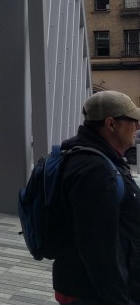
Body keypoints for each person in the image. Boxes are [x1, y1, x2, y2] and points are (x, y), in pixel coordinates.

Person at [53, 91, 140, 304]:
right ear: (111, 124)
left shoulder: (97, 158)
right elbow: (98, 248)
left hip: (86, 285)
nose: (137, 127)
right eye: (133, 121)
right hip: (93, 293)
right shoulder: (95, 170)